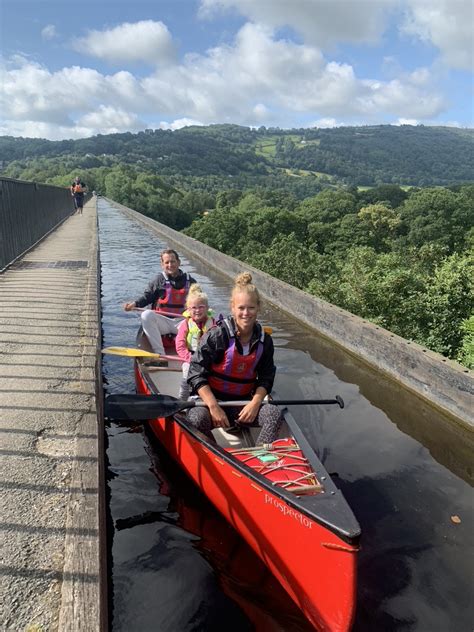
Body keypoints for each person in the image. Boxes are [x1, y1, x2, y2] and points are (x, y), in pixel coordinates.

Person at [186, 272, 283, 446]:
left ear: (258, 307)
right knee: (195, 420)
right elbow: (195, 373)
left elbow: (267, 377)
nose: (246, 313)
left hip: (243, 404)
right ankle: (216, 453)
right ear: (232, 307)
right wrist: (214, 407)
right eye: (241, 308)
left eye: (251, 308)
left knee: (274, 414)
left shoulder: (265, 341)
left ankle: (260, 457)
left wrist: (255, 403)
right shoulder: (217, 336)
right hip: (210, 404)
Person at [124, 249, 196, 355]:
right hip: (163, 322)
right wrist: (134, 304)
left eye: (173, 261)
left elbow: (200, 302)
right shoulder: (158, 281)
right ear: (162, 264)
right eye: (167, 262)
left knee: (200, 321)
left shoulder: (191, 282)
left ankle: (194, 356)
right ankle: (160, 355)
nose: (170, 265)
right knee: (146, 315)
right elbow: (147, 297)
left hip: (182, 322)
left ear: (179, 262)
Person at [176, 284, 216, 399]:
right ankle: (182, 399)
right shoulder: (185, 324)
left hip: (208, 358)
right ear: (188, 309)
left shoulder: (213, 323)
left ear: (207, 308)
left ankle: (209, 397)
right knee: (187, 373)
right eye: (194, 308)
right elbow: (180, 345)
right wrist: (190, 358)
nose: (197, 310)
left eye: (201, 307)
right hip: (190, 357)